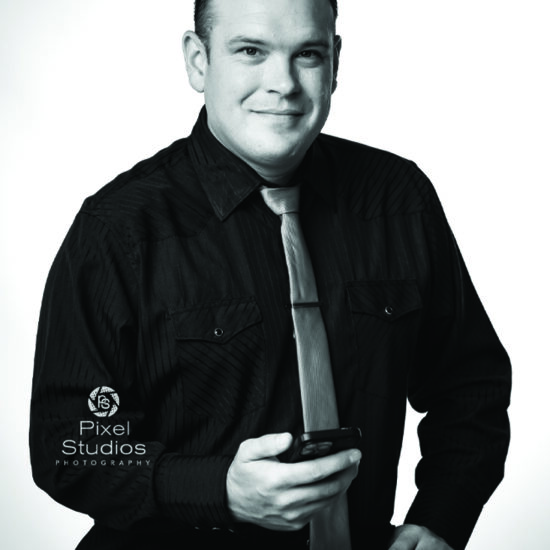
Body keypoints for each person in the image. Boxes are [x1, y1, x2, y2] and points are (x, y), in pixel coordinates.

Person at [29, 1, 511, 549]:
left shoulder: (399, 199)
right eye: (251, 51)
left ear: (335, 61)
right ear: (197, 60)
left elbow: (470, 385)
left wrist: (441, 518)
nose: (282, 83)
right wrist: (217, 490)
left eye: (307, 53)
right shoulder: (118, 229)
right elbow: (70, 443)